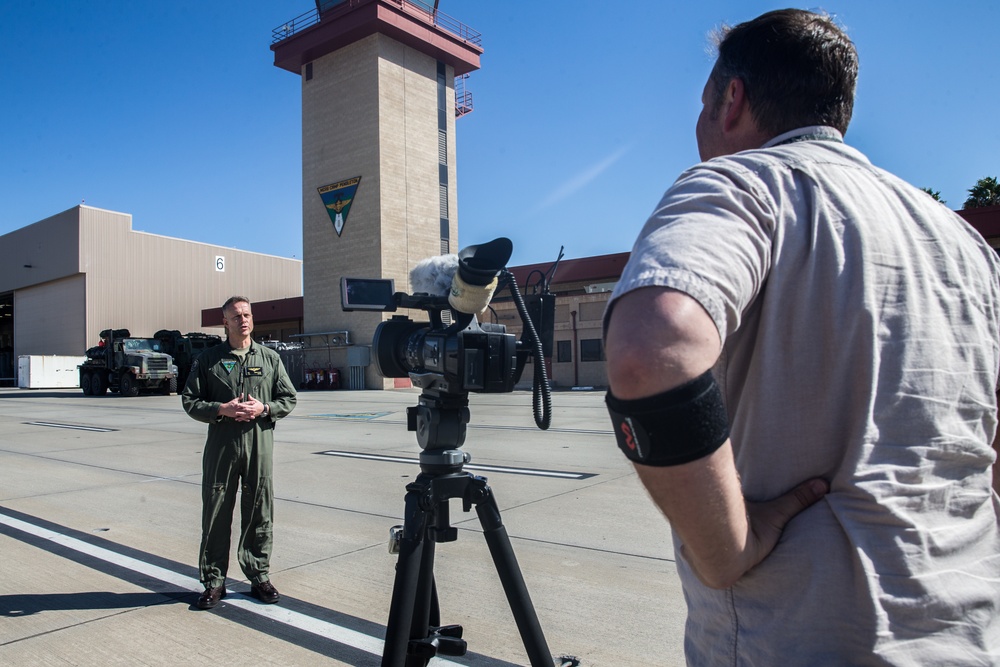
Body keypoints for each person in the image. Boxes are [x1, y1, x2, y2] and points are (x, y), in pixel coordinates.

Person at [604, 9, 1000, 665]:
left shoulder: (746, 184)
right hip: (969, 630)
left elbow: (653, 349)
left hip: (795, 635)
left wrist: (726, 548)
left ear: (731, 100)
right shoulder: (963, 242)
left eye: (704, 105)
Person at [182, 296, 297, 610]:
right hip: (223, 446)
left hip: (259, 445)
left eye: (246, 314)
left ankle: (259, 575)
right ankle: (213, 581)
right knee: (216, 513)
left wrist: (264, 408)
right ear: (226, 322)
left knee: (260, 512)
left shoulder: (270, 358)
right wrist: (222, 408)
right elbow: (190, 401)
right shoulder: (209, 360)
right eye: (236, 316)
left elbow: (288, 398)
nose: (243, 320)